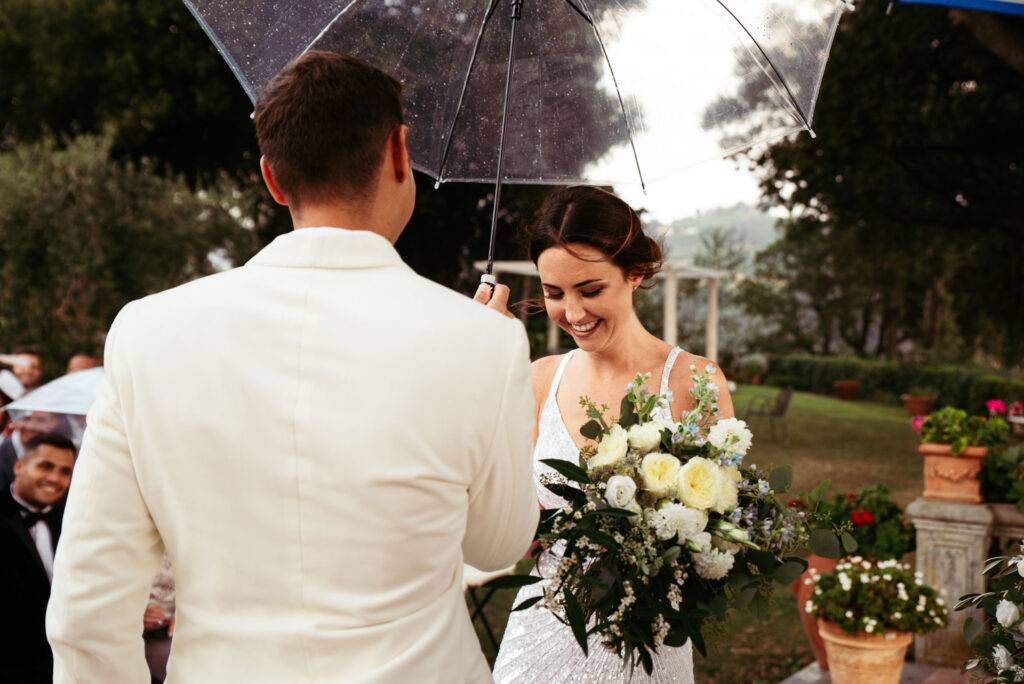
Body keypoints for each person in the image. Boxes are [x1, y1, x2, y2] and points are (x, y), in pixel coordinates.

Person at [46, 50, 538, 684]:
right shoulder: (483, 343)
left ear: (272, 180)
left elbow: (86, 609)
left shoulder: (146, 332)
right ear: (399, 153)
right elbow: (498, 544)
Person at [485, 186, 735, 683]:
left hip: (646, 647)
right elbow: (505, 529)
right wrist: (486, 365)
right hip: (539, 639)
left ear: (635, 273)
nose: (572, 313)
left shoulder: (696, 382)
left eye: (590, 290)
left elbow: (724, 540)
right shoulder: (539, 378)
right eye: (554, 294)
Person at [0, 433, 77, 684]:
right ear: (19, 465)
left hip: (63, 664)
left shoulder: (74, 521)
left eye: (65, 471)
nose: (54, 478)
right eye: (46, 466)